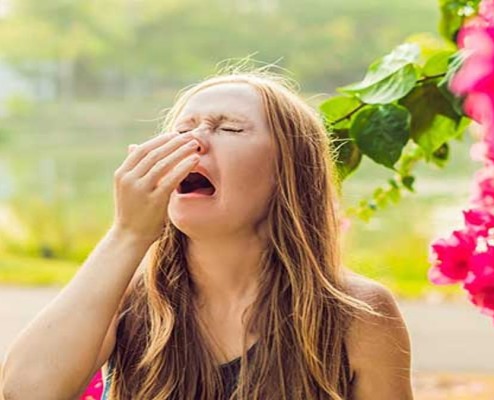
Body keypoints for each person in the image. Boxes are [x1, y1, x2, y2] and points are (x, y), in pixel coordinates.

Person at [1, 70, 413, 400]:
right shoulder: (128, 300)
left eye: (230, 129)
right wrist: (128, 234)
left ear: (289, 175)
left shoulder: (355, 313)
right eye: (182, 129)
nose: (192, 142)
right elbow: (25, 392)